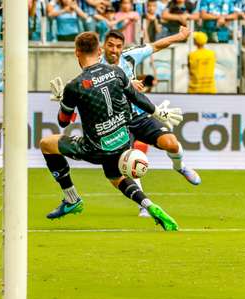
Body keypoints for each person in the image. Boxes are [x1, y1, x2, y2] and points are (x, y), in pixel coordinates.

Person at [41, 31, 184, 231]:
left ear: (77, 53)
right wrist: (158, 112)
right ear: (99, 51)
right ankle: (148, 205)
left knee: (47, 145)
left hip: (96, 147)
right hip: (123, 139)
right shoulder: (117, 72)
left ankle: (71, 199)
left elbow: (64, 122)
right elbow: (136, 97)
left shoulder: (75, 86)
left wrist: (63, 101)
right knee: (115, 178)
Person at [101, 28, 201, 217]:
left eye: (118, 46)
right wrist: (128, 86)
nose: (114, 50)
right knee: (127, 162)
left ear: (122, 47)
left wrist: (179, 36)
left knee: (171, 144)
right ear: (103, 46)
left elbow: (156, 46)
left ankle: (180, 167)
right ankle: (143, 205)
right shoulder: (97, 66)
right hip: (117, 122)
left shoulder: (129, 57)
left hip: (140, 116)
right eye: (110, 45)